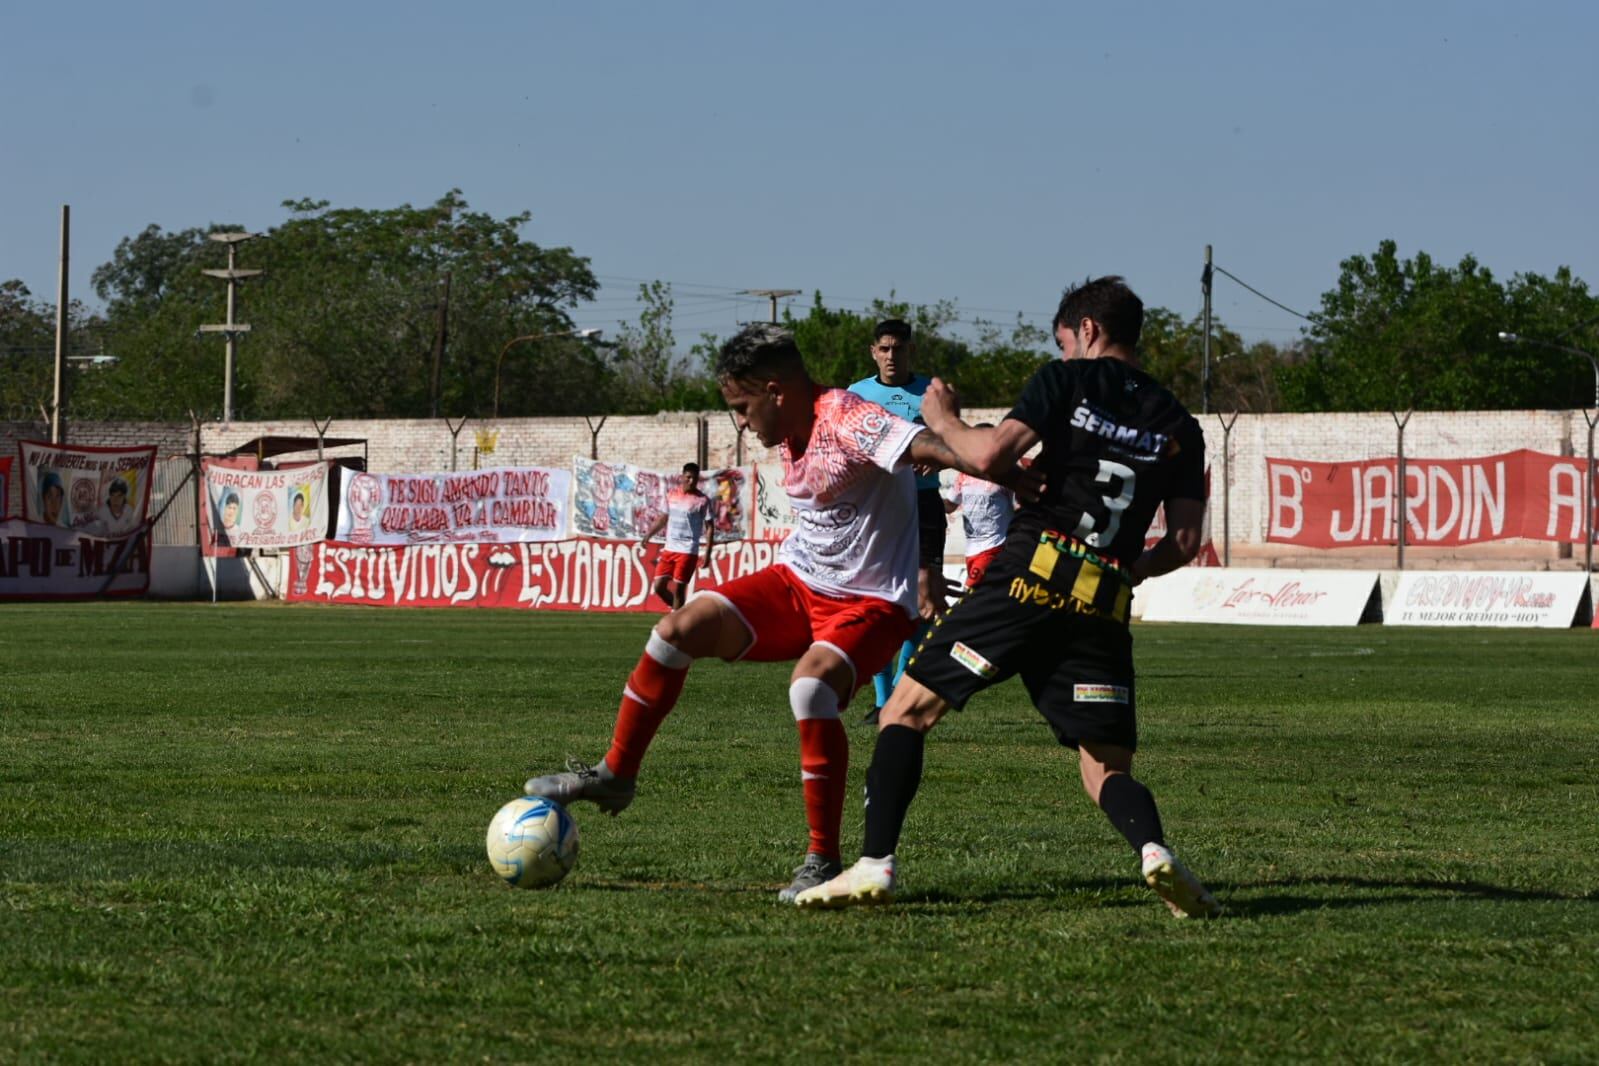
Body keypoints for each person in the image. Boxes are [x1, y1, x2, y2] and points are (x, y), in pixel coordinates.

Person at [524, 323, 1037, 903]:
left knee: (809, 688)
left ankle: (823, 858)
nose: (742, 423)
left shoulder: (845, 416)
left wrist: (1000, 468)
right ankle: (615, 775)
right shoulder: (791, 428)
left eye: (743, 408)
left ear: (775, 391)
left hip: (871, 600)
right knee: (674, 631)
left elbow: (928, 446)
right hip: (799, 579)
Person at [797, 276, 1222, 919]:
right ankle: (1155, 851)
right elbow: (1185, 541)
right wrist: (1123, 571)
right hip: (1102, 598)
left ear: (1086, 331)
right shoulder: (1180, 424)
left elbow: (992, 455)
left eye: (1065, 340)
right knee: (1105, 765)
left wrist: (942, 419)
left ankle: (873, 863)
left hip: (1028, 576)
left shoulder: (1065, 379)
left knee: (905, 712)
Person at [848, 319, 948, 724]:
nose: (892, 356)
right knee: (876, 603)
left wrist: (936, 451)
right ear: (874, 351)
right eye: (885, 349)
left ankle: (904, 691)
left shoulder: (932, 392)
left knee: (924, 603)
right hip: (877, 509)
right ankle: (883, 699)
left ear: (911, 351)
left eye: (899, 349)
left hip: (923, 507)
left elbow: (951, 438)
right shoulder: (856, 394)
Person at [942, 425, 1015, 590]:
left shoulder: (1004, 474)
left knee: (969, 593)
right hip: (971, 550)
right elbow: (949, 506)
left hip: (995, 546)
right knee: (987, 594)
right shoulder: (964, 475)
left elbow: (1020, 505)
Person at [640, 462, 716, 611]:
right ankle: (682, 613)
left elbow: (710, 527)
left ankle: (676, 622)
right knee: (659, 587)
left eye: (694, 478)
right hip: (669, 549)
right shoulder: (672, 495)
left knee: (679, 590)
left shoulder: (702, 500)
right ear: (682, 477)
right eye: (688, 477)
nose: (691, 481)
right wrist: (648, 534)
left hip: (688, 550)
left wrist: (707, 553)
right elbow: (663, 518)